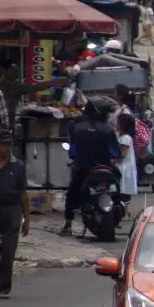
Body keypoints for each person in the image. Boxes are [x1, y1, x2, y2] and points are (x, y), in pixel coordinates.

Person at [61, 101, 121, 236]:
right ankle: (118, 205)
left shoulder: (77, 128)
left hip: (83, 169)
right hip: (106, 169)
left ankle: (68, 224)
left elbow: (72, 151)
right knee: (118, 185)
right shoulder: (108, 129)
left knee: (72, 194)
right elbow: (115, 152)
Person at [0, 130, 28, 299]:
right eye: (4, 145)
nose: (7, 148)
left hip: (12, 210)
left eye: (9, 145)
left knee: (8, 249)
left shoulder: (18, 166)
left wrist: (27, 218)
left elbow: (23, 193)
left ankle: (4, 287)